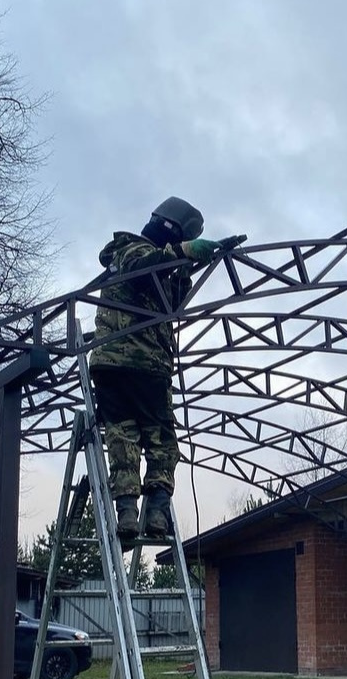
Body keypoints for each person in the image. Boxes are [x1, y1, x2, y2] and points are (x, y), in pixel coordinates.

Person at [87, 197, 244, 545]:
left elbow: (167, 303)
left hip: (110, 368)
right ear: (171, 232)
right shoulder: (131, 250)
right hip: (144, 365)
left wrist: (185, 271)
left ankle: (129, 513)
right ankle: (156, 510)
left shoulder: (129, 262)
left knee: (123, 437)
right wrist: (183, 252)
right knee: (161, 440)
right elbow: (144, 269)